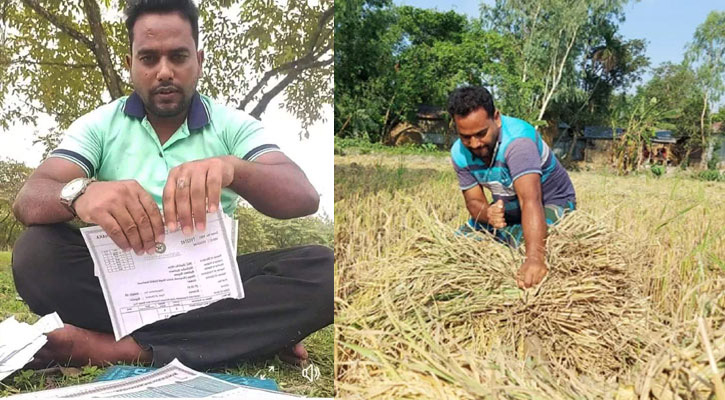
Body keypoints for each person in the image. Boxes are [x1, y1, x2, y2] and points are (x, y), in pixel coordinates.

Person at [10, 0, 332, 369]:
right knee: (36, 251)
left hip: (209, 289)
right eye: (148, 58)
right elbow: (30, 196)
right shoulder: (98, 126)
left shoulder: (231, 125)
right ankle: (241, 337)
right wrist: (81, 192)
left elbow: (303, 196)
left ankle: (114, 348)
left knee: (326, 269)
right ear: (130, 63)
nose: (164, 72)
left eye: (178, 57)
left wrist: (233, 169)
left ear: (199, 60)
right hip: (120, 289)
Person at [448, 86, 576, 289]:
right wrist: (488, 214)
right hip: (510, 204)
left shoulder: (518, 143)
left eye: (481, 134)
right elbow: (473, 202)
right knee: (458, 243)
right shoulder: (458, 153)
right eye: (466, 137)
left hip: (549, 201)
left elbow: (530, 200)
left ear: (496, 118)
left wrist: (535, 259)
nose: (474, 144)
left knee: (528, 245)